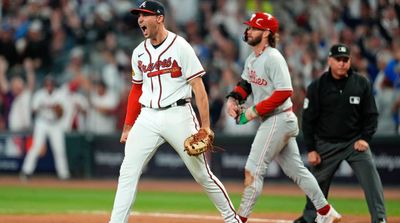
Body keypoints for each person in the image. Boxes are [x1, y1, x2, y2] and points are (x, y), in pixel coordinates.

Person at [108, 1, 242, 223]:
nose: (140, 19)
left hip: (178, 114)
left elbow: (199, 88)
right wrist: (128, 126)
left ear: (159, 18)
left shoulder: (180, 46)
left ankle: (232, 219)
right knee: (127, 172)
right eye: (138, 15)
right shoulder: (138, 52)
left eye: (145, 15)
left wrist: (205, 126)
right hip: (148, 117)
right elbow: (136, 90)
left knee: (202, 174)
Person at [225, 12, 341, 223]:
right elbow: (245, 85)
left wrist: (252, 111)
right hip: (277, 120)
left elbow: (284, 92)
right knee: (297, 170)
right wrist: (233, 99)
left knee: (253, 169)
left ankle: (238, 219)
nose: (248, 30)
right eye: (249, 27)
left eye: (254, 27)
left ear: (267, 33)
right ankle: (326, 212)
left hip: (278, 118)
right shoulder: (252, 58)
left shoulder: (273, 57)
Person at [294, 43, 387, 223]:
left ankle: (380, 218)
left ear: (350, 61)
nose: (342, 63)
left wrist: (365, 139)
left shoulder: (361, 83)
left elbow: (371, 115)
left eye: (345, 60)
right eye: (338, 59)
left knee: (372, 181)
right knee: (315, 185)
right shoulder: (317, 86)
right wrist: (311, 149)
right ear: (330, 60)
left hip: (354, 143)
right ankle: (310, 217)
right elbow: (308, 120)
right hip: (325, 145)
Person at [20, 75, 70, 180]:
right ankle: (26, 171)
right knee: (36, 146)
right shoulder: (39, 95)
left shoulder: (60, 95)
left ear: (54, 84)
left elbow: (63, 113)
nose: (49, 86)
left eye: (51, 84)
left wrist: (57, 109)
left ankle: (64, 174)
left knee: (59, 149)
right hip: (42, 122)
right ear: (44, 85)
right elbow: (33, 110)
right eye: (47, 84)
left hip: (56, 124)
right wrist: (43, 108)